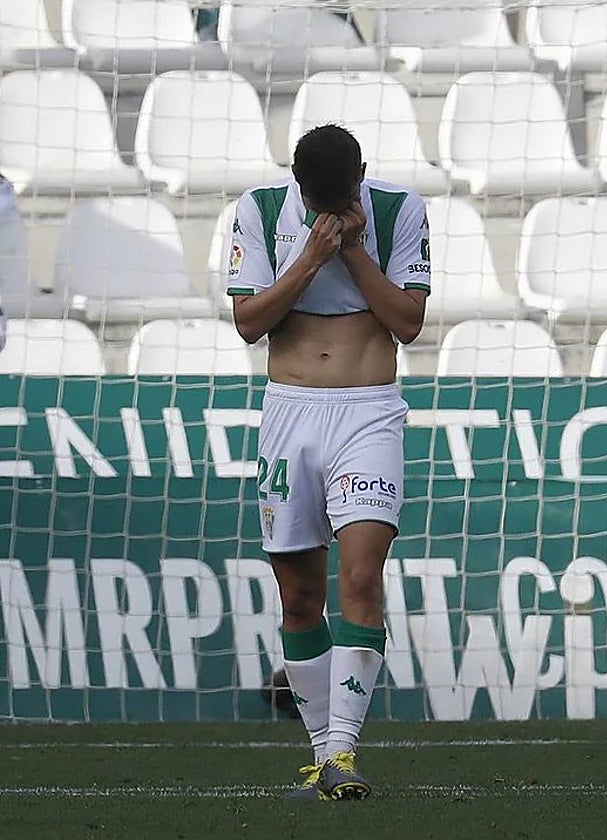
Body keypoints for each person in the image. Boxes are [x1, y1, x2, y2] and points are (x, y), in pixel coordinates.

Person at [227, 124, 430, 799]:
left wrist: (355, 252)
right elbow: (250, 322)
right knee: (300, 595)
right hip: (289, 413)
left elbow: (408, 322)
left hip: (368, 410)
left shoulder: (400, 209)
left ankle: (344, 749)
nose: (323, 213)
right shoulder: (259, 209)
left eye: (336, 201)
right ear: (297, 184)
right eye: (313, 203)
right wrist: (312, 257)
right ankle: (322, 759)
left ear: (360, 178)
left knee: (362, 577)